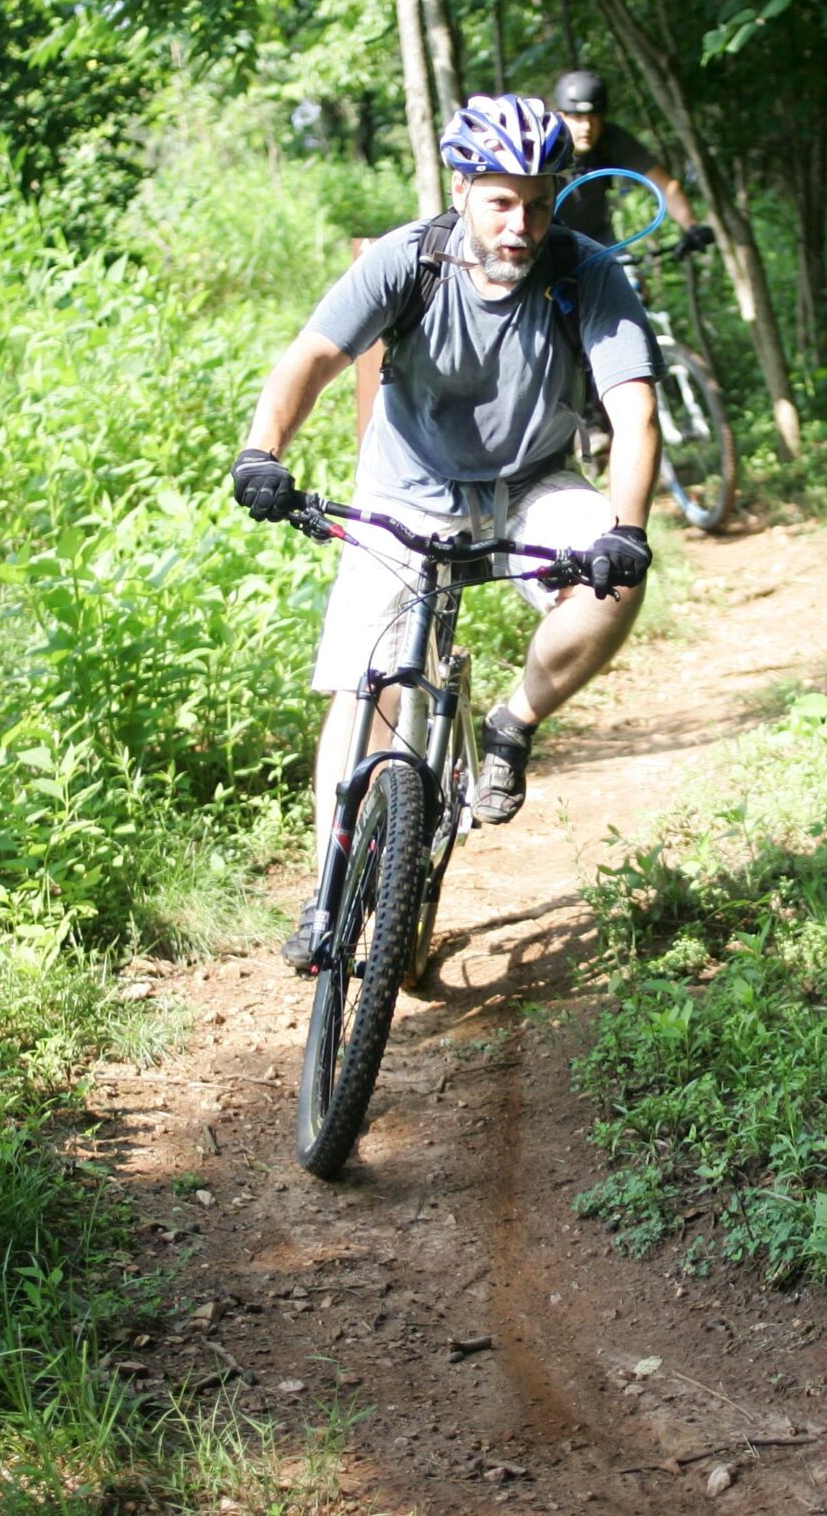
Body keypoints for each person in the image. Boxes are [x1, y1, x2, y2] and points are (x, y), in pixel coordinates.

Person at [230, 94, 664, 974]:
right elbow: (312, 357)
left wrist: (626, 528)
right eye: (503, 200)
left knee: (619, 586)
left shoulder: (584, 272)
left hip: (532, 485)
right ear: (463, 187)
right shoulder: (409, 259)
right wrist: (261, 453)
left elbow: (634, 409)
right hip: (408, 487)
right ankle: (329, 893)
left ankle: (510, 724)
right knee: (366, 693)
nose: (523, 223)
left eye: (541, 201)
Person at [548, 69, 713, 255]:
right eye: (578, 118)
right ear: (561, 117)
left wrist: (692, 226)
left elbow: (665, 187)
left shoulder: (612, 140)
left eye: (594, 117)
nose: (587, 127)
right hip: (546, 239)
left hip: (596, 238)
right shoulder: (543, 146)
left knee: (631, 279)